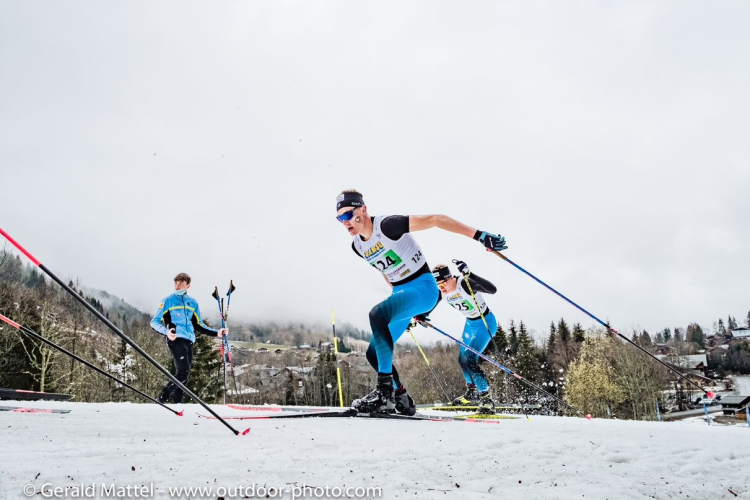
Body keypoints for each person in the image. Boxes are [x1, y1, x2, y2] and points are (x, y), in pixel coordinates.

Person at [335, 189, 507, 414]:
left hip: (424, 288)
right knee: (373, 353)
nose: (345, 222)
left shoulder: (387, 226)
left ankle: (384, 393)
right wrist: (404, 307)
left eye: (348, 215)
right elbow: (384, 270)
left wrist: (479, 235)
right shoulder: (358, 246)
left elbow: (436, 220)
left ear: (363, 210)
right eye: (340, 218)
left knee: (377, 314)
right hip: (402, 295)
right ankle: (401, 397)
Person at [433, 260, 498, 414]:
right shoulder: (444, 291)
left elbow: (492, 289)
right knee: (462, 358)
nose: (441, 289)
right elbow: (430, 303)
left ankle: (487, 399)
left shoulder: (465, 284)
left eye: (442, 284)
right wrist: (418, 317)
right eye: (438, 286)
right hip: (470, 324)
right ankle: (472, 393)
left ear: (450, 279)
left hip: (484, 323)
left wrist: (470, 274)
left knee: (469, 358)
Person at [150, 272, 227, 404]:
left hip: (189, 340)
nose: (177, 285)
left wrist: (217, 333)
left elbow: (198, 324)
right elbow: (154, 322)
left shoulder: (192, 302)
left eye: (181, 282)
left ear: (188, 285)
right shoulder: (167, 301)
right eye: (176, 282)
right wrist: (166, 332)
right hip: (176, 339)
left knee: (185, 374)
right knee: (183, 371)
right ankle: (161, 399)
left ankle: (177, 404)